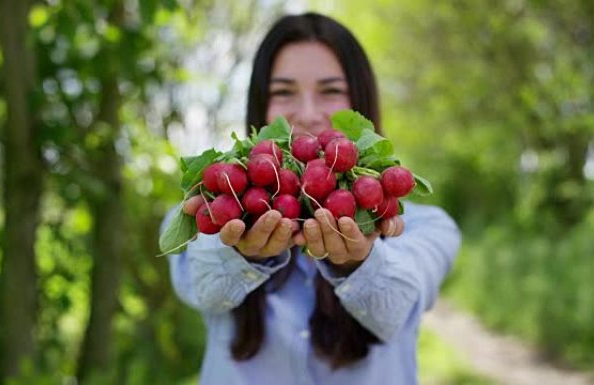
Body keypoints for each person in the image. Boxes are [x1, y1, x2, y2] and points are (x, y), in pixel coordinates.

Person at [163, 12, 461, 385]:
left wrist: (358, 262)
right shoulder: (213, 209)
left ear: (361, 101)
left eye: (331, 91)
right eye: (283, 92)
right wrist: (242, 253)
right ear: (260, 107)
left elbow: (396, 308)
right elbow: (204, 287)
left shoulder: (426, 226)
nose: (306, 114)